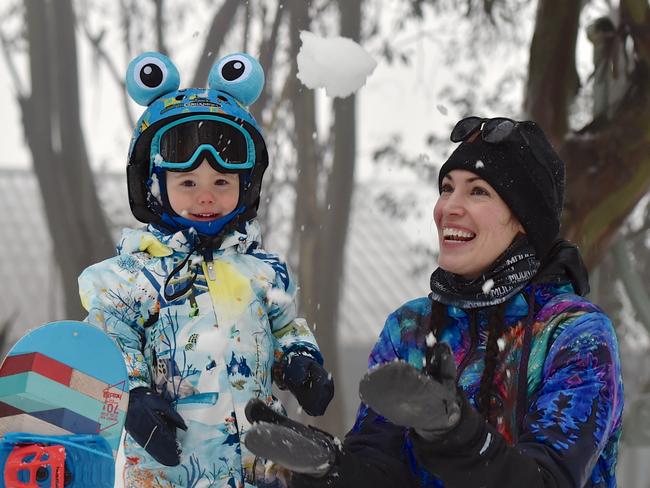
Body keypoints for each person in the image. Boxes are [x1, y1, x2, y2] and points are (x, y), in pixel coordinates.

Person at [243, 116, 624, 488]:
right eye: (446, 187)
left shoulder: (574, 334)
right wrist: (331, 469)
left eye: (478, 191)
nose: (448, 208)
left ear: (524, 219)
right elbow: (383, 467)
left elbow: (548, 478)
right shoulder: (410, 327)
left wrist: (454, 431)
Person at [78, 51, 334, 488]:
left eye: (221, 183)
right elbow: (109, 342)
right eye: (188, 184)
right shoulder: (130, 279)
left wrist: (300, 359)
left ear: (245, 187)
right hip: (171, 469)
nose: (206, 197)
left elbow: (286, 327)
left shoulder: (261, 273)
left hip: (261, 469)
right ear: (155, 187)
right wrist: (133, 397)